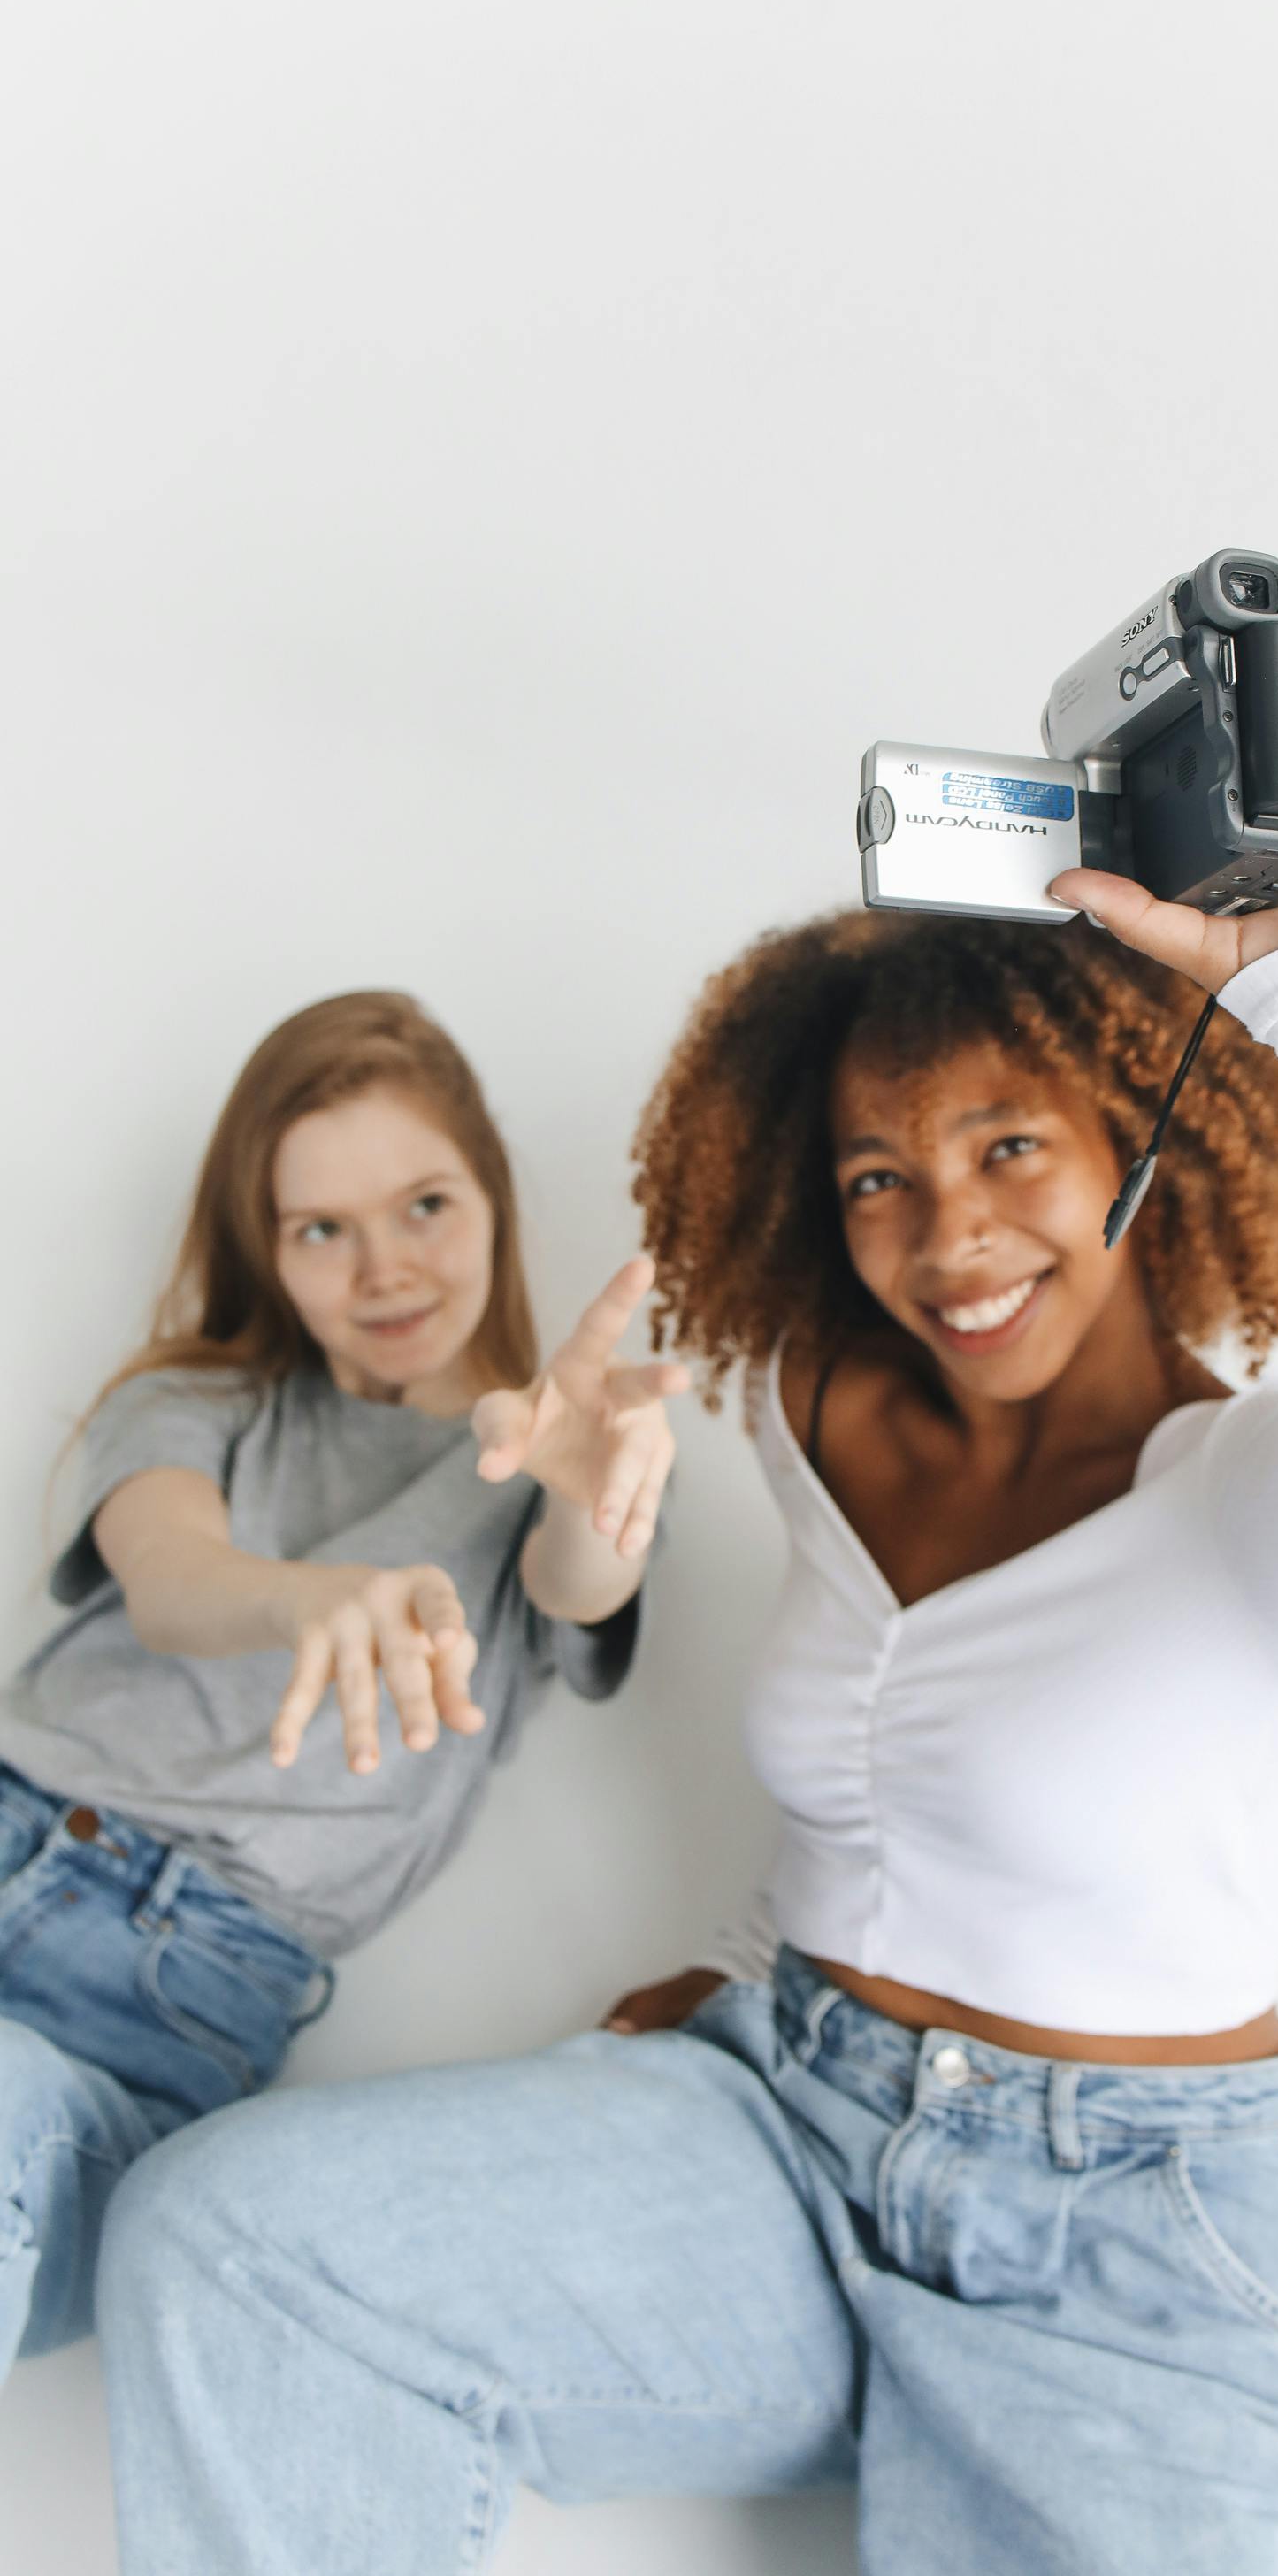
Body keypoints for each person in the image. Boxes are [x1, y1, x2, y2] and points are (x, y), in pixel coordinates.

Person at [96, 564, 1278, 2575]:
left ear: (1139, 1136)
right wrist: (600, 1541)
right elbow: (857, 1751)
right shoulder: (805, 1407)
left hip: (1118, 2249)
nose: (943, 1233)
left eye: (1008, 1150)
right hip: (778, 2117)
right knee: (235, 2240)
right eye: (880, 1174)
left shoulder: (1275, 1508)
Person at [0, 990, 681, 2388]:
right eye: (323, 1230)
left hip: (163, 2001)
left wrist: (596, 1496)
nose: (385, 1268)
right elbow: (174, 1580)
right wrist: (309, 1597)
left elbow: (580, 1586)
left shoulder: (536, 1474)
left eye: (425, 1203)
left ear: (489, 1191)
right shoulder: (202, 1399)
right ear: (270, 1251)